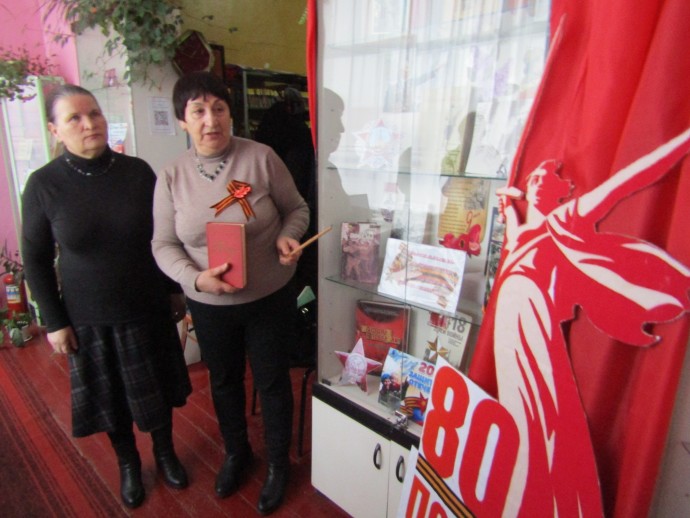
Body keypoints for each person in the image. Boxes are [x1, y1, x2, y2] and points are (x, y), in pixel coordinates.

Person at [492, 128, 690, 516]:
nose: (536, 182)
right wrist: (507, 208)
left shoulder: (568, 218)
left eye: (544, 178)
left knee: (542, 418)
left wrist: (680, 142)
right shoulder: (524, 232)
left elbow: (629, 179)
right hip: (509, 326)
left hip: (533, 323)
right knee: (518, 415)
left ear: (558, 190)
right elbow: (515, 235)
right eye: (534, 178)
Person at [21, 84, 192, 509]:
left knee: (157, 390)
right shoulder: (43, 185)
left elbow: (163, 236)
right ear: (55, 130)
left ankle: (165, 453)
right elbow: (36, 260)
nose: (89, 124)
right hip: (88, 316)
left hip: (146, 306)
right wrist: (55, 322)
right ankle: (129, 463)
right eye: (74, 118)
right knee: (112, 400)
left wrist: (174, 290)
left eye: (94, 113)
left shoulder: (137, 172)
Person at [151, 71, 309, 515]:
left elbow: (297, 209)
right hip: (210, 304)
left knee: (272, 381)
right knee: (223, 382)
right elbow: (162, 244)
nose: (211, 120)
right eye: (198, 111)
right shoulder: (171, 176)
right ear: (182, 121)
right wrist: (194, 278)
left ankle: (278, 464)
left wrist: (288, 236)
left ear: (230, 113)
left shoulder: (261, 158)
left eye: (219, 108)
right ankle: (237, 453)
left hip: (269, 297)